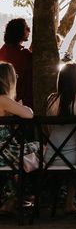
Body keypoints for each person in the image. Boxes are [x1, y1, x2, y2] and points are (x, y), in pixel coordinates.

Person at [46, 62, 76, 213]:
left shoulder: (50, 100)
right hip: (73, 156)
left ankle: (69, 203)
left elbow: (48, 131)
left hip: (50, 155)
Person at [0, 62, 37, 211]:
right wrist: (21, 106)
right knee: (41, 148)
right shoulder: (3, 99)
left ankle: (12, 197)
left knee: (22, 155)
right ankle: (18, 196)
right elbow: (29, 114)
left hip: (5, 150)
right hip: (5, 151)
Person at [0, 18, 33, 108]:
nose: (29, 30)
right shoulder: (24, 54)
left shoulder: (3, 51)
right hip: (23, 103)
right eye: (26, 28)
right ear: (18, 31)